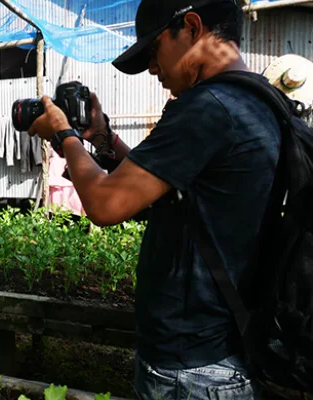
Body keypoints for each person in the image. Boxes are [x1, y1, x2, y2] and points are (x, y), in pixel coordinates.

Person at [28, 0, 281, 398]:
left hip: (192, 366)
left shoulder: (207, 109)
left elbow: (105, 204)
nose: (152, 67)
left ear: (192, 27)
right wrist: (104, 140)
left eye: (154, 50)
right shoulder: (256, 100)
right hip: (225, 348)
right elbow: (168, 195)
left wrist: (64, 135)